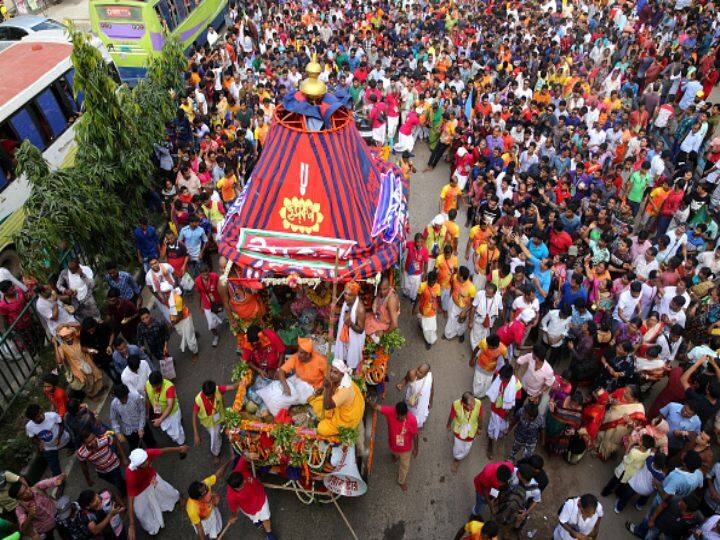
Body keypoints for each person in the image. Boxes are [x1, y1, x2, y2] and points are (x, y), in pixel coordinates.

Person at [125, 446, 187, 539]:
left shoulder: (146, 454)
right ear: (137, 465)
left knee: (166, 490)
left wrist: (179, 448)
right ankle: (153, 527)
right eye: (144, 463)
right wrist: (132, 524)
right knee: (141, 513)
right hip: (139, 492)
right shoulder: (130, 474)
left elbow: (163, 451)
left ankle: (179, 497)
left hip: (151, 479)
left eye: (146, 460)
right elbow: (130, 498)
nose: (147, 462)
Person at [258, 337, 326, 416]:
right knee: (277, 388)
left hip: (312, 386)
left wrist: (322, 388)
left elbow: (328, 377)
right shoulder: (296, 357)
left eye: (301, 353)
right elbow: (281, 371)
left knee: (288, 397)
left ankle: (278, 411)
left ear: (308, 355)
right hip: (297, 379)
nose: (298, 355)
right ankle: (271, 404)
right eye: (298, 351)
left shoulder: (321, 360)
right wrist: (285, 386)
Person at [225, 455, 277, 540]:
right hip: (250, 510)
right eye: (243, 483)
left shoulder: (238, 469)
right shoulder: (231, 497)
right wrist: (233, 516)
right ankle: (257, 521)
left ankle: (269, 534)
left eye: (244, 479)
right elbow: (234, 510)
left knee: (266, 519)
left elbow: (244, 456)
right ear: (236, 488)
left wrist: (249, 454)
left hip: (261, 499)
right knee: (256, 519)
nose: (245, 480)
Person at [309, 359, 365, 437]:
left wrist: (328, 388)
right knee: (317, 404)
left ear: (342, 374)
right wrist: (323, 389)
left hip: (346, 419)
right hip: (339, 406)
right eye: (331, 371)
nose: (331, 374)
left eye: (335, 372)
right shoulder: (338, 378)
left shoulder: (344, 389)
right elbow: (331, 386)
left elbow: (327, 406)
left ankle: (338, 432)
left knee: (321, 428)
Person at [374, 401, 419, 492]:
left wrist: (416, 448)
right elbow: (377, 407)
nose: (403, 418)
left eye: (405, 415)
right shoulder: (391, 412)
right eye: (401, 416)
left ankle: (401, 481)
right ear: (396, 413)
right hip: (393, 445)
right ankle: (395, 456)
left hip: (406, 450)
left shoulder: (412, 419)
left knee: (404, 466)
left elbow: (415, 435)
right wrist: (368, 401)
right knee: (394, 453)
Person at [185, 459, 233, 539]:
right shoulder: (192, 509)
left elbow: (218, 474)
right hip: (204, 521)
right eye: (204, 493)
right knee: (208, 532)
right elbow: (200, 528)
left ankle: (217, 534)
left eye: (206, 489)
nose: (208, 491)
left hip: (211, 511)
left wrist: (229, 460)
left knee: (217, 530)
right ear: (198, 498)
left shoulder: (205, 484)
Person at [54, 323, 104, 398]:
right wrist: (55, 344)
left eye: (69, 335)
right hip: (78, 368)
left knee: (96, 374)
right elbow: (59, 361)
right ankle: (92, 396)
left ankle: (100, 388)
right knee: (87, 383)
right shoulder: (62, 347)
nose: (68, 338)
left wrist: (66, 325)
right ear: (62, 338)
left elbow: (79, 326)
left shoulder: (76, 338)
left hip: (88, 361)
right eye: (65, 337)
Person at [192, 379, 237, 463]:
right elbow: (194, 416)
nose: (209, 397)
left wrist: (242, 382)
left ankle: (221, 435)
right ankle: (216, 454)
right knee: (214, 438)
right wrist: (196, 434)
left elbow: (232, 387)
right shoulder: (198, 400)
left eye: (210, 395)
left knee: (225, 429)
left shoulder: (217, 389)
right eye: (207, 395)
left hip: (221, 416)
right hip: (210, 424)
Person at [9, 474, 66, 539]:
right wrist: (30, 516)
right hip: (45, 529)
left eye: (26, 488)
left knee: (66, 535)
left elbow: (51, 481)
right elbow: (23, 528)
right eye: (23, 494)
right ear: (18, 498)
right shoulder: (20, 509)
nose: (28, 492)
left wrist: (59, 480)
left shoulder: (37, 487)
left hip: (58, 517)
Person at [76, 428, 128, 497]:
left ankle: (125, 492)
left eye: (93, 438)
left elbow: (116, 443)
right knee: (115, 481)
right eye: (89, 442)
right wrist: (88, 479)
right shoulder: (81, 453)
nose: (94, 442)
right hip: (101, 471)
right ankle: (124, 484)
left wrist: (124, 458)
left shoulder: (104, 438)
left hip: (114, 465)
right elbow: (84, 466)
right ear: (83, 443)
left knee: (118, 482)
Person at [25, 403, 72, 477]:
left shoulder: (52, 416)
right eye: (37, 416)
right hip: (49, 448)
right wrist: (39, 443)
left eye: (41, 413)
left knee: (71, 445)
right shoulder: (29, 426)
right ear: (32, 419)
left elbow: (62, 424)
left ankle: (72, 449)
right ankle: (60, 482)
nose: (41, 416)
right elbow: (32, 438)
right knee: (54, 467)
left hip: (63, 440)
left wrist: (59, 437)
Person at [486, 364, 521, 459]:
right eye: (500, 376)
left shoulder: (517, 385)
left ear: (509, 377)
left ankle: (492, 437)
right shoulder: (500, 374)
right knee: (494, 427)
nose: (500, 379)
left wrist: (509, 414)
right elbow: (494, 385)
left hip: (505, 411)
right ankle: (491, 444)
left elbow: (515, 402)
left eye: (503, 378)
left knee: (498, 426)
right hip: (495, 407)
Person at [109, 384, 157, 450]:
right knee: (135, 450)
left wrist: (141, 428)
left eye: (125, 398)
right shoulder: (114, 404)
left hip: (141, 424)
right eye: (121, 399)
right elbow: (113, 419)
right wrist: (118, 433)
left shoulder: (136, 397)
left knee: (151, 444)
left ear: (128, 393)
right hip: (128, 430)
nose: (124, 401)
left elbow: (142, 411)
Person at [146, 370, 185, 446]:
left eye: (156, 386)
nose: (154, 388)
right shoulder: (148, 384)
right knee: (170, 430)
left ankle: (182, 445)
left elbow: (170, 406)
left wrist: (160, 420)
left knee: (177, 431)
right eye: (152, 386)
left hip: (172, 413)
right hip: (160, 412)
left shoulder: (169, 387)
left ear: (162, 382)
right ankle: (177, 439)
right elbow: (147, 396)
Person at [333, 281, 366, 370]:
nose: (346, 297)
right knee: (342, 355)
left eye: (350, 295)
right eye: (345, 293)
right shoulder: (346, 302)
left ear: (355, 295)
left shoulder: (360, 310)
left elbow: (361, 330)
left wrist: (350, 323)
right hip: (345, 336)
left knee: (352, 361)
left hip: (355, 339)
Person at [515, 344, 555, 418]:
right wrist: (516, 376)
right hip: (523, 386)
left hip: (534, 393)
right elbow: (519, 361)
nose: (531, 353)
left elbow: (548, 384)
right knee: (518, 402)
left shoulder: (548, 370)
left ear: (537, 358)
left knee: (531, 409)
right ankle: (515, 415)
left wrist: (538, 394)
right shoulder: (530, 356)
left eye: (533, 353)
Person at [447, 391, 482, 471]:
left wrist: (480, 428)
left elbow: (480, 416)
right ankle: (457, 459)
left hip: (471, 432)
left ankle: (461, 455)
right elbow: (451, 415)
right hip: (459, 431)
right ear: (464, 404)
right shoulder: (456, 404)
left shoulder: (478, 403)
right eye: (471, 405)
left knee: (466, 447)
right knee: (458, 447)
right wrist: (448, 425)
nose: (474, 406)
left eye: (474, 402)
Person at [194, 264, 225, 347]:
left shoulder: (214, 276)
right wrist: (200, 306)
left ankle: (228, 319)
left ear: (208, 270)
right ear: (200, 274)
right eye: (203, 274)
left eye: (206, 273)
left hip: (218, 300)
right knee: (210, 323)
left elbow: (221, 285)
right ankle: (215, 336)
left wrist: (224, 297)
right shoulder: (197, 281)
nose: (205, 275)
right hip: (207, 304)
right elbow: (199, 294)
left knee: (223, 313)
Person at [444, 266, 476, 341]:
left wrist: (465, 311)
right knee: (451, 319)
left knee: (460, 322)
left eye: (458, 273)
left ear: (461, 277)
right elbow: (452, 285)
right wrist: (451, 296)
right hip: (452, 302)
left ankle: (458, 334)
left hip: (462, 308)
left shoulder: (471, 288)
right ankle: (450, 334)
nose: (456, 274)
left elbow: (472, 301)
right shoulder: (455, 277)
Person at [396, 363, 433, 429]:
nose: (418, 373)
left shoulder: (429, 378)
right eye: (418, 369)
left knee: (418, 417)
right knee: (405, 409)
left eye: (421, 373)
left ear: (426, 374)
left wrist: (430, 401)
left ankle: (416, 423)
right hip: (409, 399)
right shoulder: (412, 373)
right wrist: (401, 385)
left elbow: (431, 390)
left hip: (420, 403)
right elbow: (406, 379)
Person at [470, 334, 507, 399]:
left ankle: (482, 395)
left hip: (491, 370)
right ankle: (475, 395)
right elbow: (476, 349)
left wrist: (505, 370)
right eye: (487, 344)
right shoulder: (484, 342)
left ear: (495, 346)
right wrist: (472, 359)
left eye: (489, 346)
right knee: (478, 382)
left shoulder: (503, 349)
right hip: (480, 366)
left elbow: (506, 360)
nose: (487, 346)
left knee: (486, 384)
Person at [468, 283, 503, 350]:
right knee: (475, 337)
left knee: (484, 337)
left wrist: (504, 322)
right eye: (486, 292)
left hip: (489, 322)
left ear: (494, 293)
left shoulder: (499, 298)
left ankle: (481, 349)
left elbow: (501, 309)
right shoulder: (479, 294)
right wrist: (470, 322)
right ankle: (476, 352)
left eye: (489, 294)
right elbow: (473, 308)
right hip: (478, 320)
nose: (486, 294)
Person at [414, 270, 441, 349]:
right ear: (427, 279)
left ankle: (429, 340)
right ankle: (428, 341)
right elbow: (418, 297)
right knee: (426, 328)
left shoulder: (438, 287)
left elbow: (439, 298)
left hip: (433, 310)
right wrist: (414, 307)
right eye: (429, 282)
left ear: (435, 281)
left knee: (431, 327)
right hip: (423, 309)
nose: (431, 284)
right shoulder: (422, 285)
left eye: (433, 282)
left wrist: (440, 307)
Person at [402, 233, 429, 301]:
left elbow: (426, 262)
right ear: (414, 241)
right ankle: (405, 293)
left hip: (417, 273)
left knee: (415, 288)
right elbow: (402, 244)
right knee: (406, 284)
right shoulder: (410, 244)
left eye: (421, 242)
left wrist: (425, 273)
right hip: (408, 270)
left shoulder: (425, 250)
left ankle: (413, 298)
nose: (419, 244)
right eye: (417, 242)